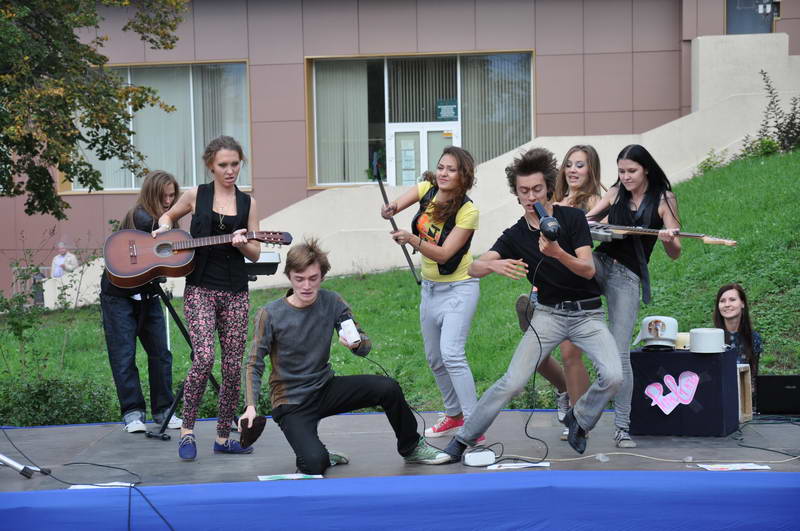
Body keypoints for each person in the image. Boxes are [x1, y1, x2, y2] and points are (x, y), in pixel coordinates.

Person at [444, 147, 622, 459]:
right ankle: (462, 439)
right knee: (512, 382)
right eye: (524, 190)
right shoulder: (515, 234)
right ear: (516, 194)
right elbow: (473, 268)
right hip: (548, 316)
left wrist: (557, 253)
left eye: (537, 189)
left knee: (613, 376)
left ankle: (580, 419)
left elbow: (587, 269)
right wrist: (493, 264)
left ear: (549, 188)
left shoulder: (572, 218)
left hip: (587, 314)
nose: (530, 196)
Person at [239, 239, 450, 475]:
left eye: (313, 278)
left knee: (388, 388)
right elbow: (253, 363)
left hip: (325, 388)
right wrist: (250, 406)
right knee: (313, 464)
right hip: (291, 401)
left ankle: (411, 447)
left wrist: (357, 343)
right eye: (299, 279)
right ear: (289, 276)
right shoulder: (269, 314)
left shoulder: (332, 301)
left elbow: (364, 345)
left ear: (322, 276)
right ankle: (319, 453)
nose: (306, 286)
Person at [152, 136, 260, 461]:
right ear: (211, 165)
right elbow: (168, 217)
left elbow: (255, 253)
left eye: (235, 164)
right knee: (203, 359)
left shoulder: (248, 203)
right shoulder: (195, 195)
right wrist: (164, 228)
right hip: (200, 287)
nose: (230, 170)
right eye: (223, 165)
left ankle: (223, 437)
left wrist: (242, 242)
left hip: (235, 291)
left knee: (231, 367)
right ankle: (187, 432)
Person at [380, 147, 481, 440]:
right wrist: (388, 210)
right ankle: (454, 415)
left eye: (451, 169)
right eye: (441, 167)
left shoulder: (468, 211)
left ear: (463, 175)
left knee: (452, 354)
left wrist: (411, 239)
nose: (444, 173)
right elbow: (394, 207)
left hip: (460, 287)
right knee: (435, 358)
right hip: (430, 288)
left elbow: (445, 253)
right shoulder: (427, 189)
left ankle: (475, 426)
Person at [585, 144, 681, 448]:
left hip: (627, 276)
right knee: (572, 263)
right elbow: (585, 222)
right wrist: (593, 225)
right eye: (621, 171)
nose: (625, 177)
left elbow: (676, 252)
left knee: (620, 354)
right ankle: (542, 300)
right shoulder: (615, 193)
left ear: (646, 169)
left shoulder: (664, 199)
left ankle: (622, 427)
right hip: (600, 262)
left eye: (631, 171)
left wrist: (667, 239)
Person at [515, 145, 605, 433]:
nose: (573, 170)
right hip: (547, 288)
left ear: (591, 169)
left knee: (570, 355)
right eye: (569, 164)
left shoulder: (594, 202)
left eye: (580, 165)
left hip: (578, 289)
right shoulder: (549, 201)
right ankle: (564, 390)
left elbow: (599, 238)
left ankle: (578, 422)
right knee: (537, 359)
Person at [100, 171, 181, 433]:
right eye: (163, 196)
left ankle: (164, 411)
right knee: (124, 355)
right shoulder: (142, 217)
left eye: (172, 196)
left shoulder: (167, 221)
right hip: (118, 296)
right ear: (151, 194)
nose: (168, 201)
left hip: (148, 294)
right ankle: (132, 413)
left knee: (161, 354)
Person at [713, 283, 762, 404]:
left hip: (745, 401)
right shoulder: (711, 338)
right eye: (722, 301)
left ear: (742, 303)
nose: (727, 304)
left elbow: (753, 378)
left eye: (732, 299)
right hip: (717, 399)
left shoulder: (754, 338)